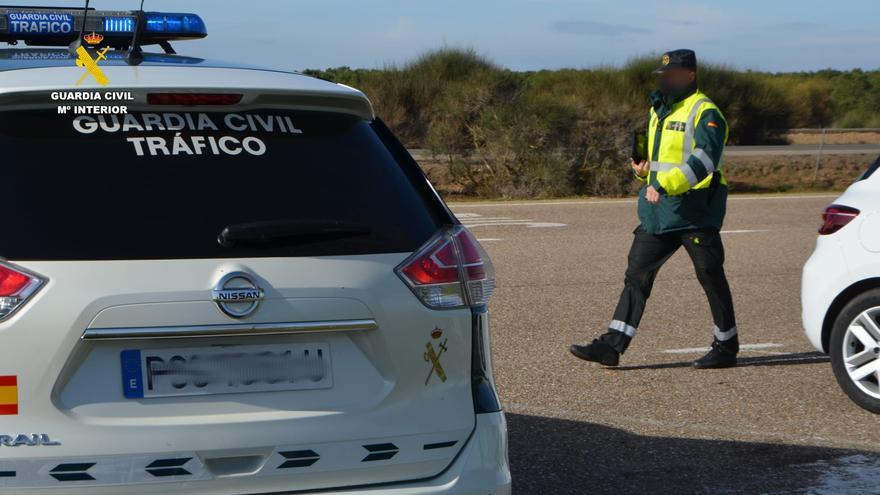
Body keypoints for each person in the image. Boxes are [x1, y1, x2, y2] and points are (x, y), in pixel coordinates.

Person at [570, 49, 739, 369]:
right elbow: (649, 162)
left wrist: (664, 185)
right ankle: (612, 345)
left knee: (710, 275)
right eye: (663, 76)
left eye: (672, 75)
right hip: (658, 211)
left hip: (695, 211)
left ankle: (726, 346)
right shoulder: (658, 110)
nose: (666, 80)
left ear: (689, 75)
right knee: (637, 274)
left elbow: (705, 161)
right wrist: (640, 169)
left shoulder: (705, 111)